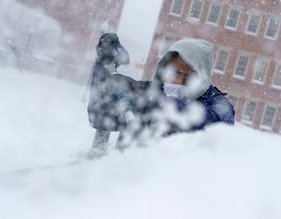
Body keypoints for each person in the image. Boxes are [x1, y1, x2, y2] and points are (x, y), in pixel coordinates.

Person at [87, 35, 235, 157]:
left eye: (192, 76)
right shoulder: (150, 91)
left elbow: (213, 124)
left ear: (203, 77)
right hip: (126, 179)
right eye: (176, 73)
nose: (182, 82)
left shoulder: (218, 105)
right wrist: (104, 64)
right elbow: (101, 111)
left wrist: (160, 103)